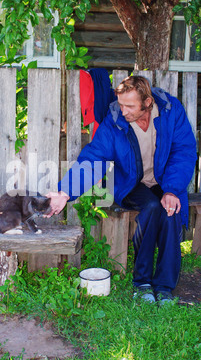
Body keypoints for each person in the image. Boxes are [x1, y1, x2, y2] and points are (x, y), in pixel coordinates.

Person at [46, 75, 197, 304]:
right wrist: (65, 191)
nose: (123, 110)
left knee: (170, 212)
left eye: (130, 106)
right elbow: (93, 158)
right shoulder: (115, 121)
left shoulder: (170, 111)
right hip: (130, 182)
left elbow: (183, 151)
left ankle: (165, 286)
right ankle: (143, 282)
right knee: (151, 207)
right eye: (121, 104)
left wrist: (173, 190)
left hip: (166, 181)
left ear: (147, 103)